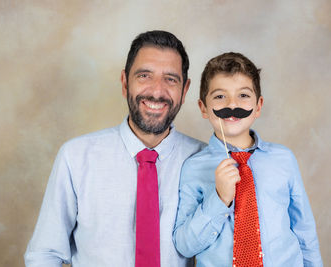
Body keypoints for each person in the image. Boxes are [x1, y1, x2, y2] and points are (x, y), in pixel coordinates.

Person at [24, 30, 205, 267]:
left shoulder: (207, 161)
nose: (157, 91)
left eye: (171, 79)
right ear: (124, 82)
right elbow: (44, 255)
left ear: (185, 90)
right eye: (144, 75)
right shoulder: (76, 157)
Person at [173, 52, 323, 266]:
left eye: (243, 95)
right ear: (203, 108)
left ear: (258, 106)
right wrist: (219, 198)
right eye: (219, 96)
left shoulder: (284, 160)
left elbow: (305, 231)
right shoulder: (193, 168)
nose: (232, 104)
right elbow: (184, 245)